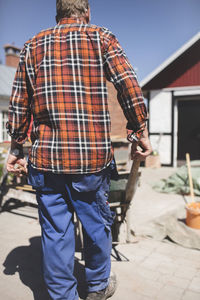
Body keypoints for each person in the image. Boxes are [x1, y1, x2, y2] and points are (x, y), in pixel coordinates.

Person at [6, 0, 152, 299]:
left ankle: (63, 295)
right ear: (87, 13)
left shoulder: (32, 45)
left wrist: (17, 146)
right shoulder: (100, 36)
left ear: (57, 14)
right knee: (96, 226)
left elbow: (19, 103)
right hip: (91, 159)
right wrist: (140, 131)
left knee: (55, 233)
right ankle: (97, 287)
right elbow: (129, 84)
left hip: (46, 160)